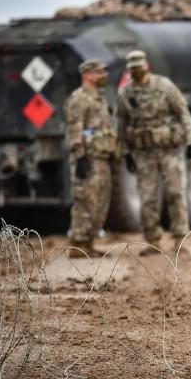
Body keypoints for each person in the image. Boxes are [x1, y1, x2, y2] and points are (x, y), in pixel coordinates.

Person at [117, 49, 191, 254]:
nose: (137, 71)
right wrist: (126, 153)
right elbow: (121, 125)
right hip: (144, 153)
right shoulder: (126, 94)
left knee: (176, 193)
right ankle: (152, 241)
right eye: (133, 69)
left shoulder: (164, 86)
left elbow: (183, 113)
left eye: (139, 67)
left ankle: (180, 240)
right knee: (147, 198)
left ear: (146, 65)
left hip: (169, 150)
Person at [64, 58, 117, 256]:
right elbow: (75, 128)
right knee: (85, 200)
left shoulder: (99, 98)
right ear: (88, 75)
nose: (104, 76)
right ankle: (78, 244)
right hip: (87, 159)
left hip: (101, 157)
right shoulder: (79, 98)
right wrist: (80, 156)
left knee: (100, 201)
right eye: (100, 72)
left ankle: (89, 243)